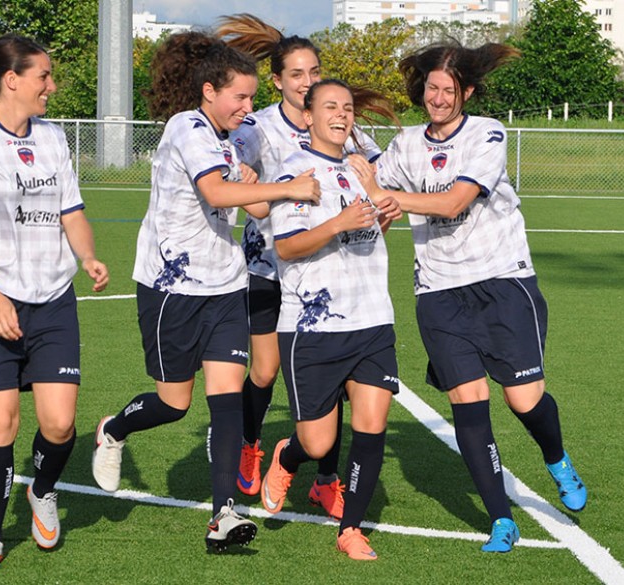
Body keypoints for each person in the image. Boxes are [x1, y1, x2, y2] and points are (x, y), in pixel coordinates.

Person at [88, 30, 319, 553]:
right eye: (240, 97)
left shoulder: (240, 136)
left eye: (253, 97)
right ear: (209, 91)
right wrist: (286, 188)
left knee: (226, 405)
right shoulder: (187, 127)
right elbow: (216, 191)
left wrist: (287, 189)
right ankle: (114, 429)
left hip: (225, 284)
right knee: (174, 403)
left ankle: (223, 516)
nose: (248, 107)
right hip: (171, 285)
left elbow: (254, 205)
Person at [353, 42, 588, 554]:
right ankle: (501, 520)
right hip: (438, 291)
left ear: (468, 92)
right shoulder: (406, 144)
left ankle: (556, 457)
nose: (438, 97)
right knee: (468, 403)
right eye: (432, 88)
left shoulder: (487, 133)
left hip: (502, 282)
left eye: (449, 89)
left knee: (524, 400)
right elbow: (370, 185)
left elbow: (455, 201)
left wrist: (389, 199)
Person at [0, 33, 110, 573]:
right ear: (12, 80)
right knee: (2, 425)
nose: (51, 87)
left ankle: (43, 490)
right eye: (44, 77)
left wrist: (88, 257)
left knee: (59, 426)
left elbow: (71, 210)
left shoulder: (54, 139)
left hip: (53, 297)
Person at [216, 14, 383, 519]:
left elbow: (373, 172)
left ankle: (326, 479)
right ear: (278, 82)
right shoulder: (257, 128)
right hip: (270, 265)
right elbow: (234, 178)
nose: (308, 81)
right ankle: (251, 443)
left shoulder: (339, 122)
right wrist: (249, 187)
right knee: (264, 370)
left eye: (314, 71)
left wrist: (376, 188)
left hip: (332, 275)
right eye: (297, 74)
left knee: (340, 387)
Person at [257, 78, 402, 560]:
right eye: (330, 107)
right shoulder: (295, 172)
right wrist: (340, 222)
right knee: (317, 442)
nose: (341, 115)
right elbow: (286, 247)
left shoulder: (362, 168)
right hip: (313, 326)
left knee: (372, 424)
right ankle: (287, 455)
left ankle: (351, 529)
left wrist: (379, 207)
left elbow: (372, 225)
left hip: (372, 318)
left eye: (347, 108)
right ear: (309, 117)